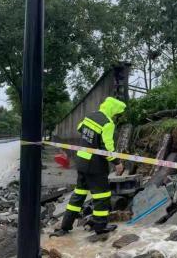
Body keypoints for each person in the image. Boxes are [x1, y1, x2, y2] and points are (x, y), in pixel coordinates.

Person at [51, 96, 126, 238]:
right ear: (113, 110)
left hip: (82, 161)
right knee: (102, 196)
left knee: (78, 195)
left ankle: (65, 227)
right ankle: (100, 227)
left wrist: (91, 139)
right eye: (117, 113)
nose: (116, 116)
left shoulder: (90, 116)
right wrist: (117, 163)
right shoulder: (108, 123)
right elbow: (107, 149)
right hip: (95, 165)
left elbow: (80, 128)